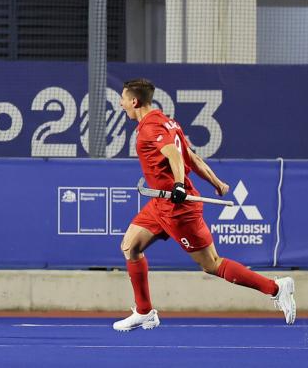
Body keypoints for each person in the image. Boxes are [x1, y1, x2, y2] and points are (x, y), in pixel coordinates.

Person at [113, 78, 295, 331]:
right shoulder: (168, 122)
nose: (121, 104)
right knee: (130, 246)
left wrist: (178, 185)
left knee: (212, 264)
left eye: (122, 98)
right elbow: (192, 157)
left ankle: (276, 288)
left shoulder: (150, 127)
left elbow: (175, 155)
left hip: (178, 208)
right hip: (160, 203)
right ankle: (144, 312)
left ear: (134, 100)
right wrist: (216, 182)